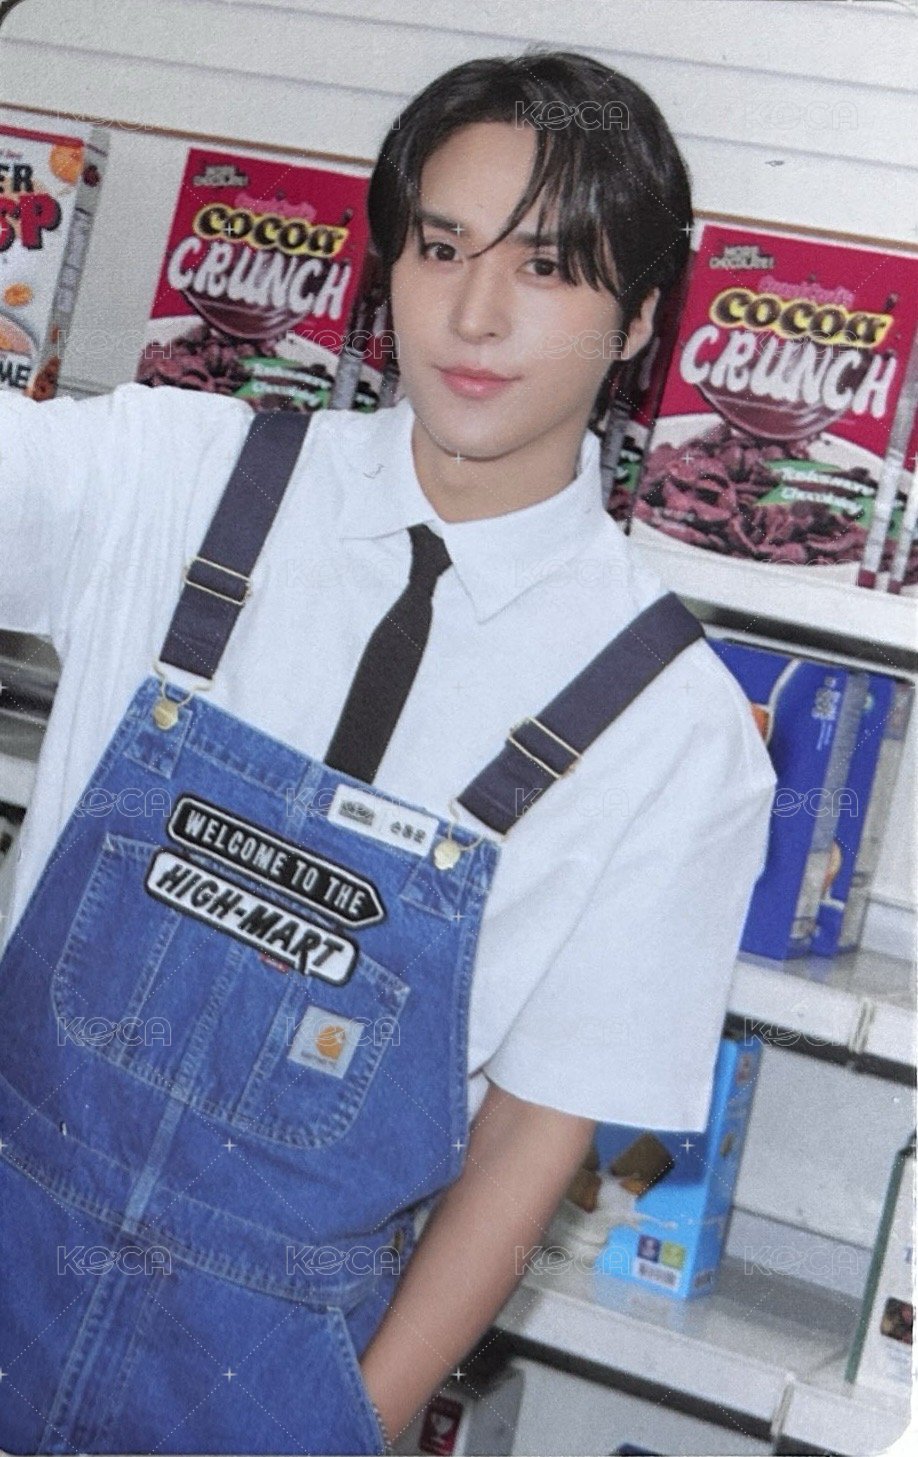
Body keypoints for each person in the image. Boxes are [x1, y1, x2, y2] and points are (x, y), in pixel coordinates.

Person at [0, 49, 776, 1456]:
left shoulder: (674, 730)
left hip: (257, 1394)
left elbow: (535, 1138)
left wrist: (345, 1427)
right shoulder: (170, 477)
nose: (475, 315)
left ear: (638, 319)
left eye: (549, 267)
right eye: (440, 247)